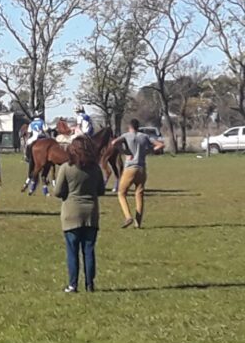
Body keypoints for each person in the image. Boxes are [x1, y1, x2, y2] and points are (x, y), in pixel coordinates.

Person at [54, 136, 106, 293]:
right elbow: (101, 190)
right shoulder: (95, 169)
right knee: (89, 250)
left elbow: (57, 192)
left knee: (72, 251)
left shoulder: (66, 168)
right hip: (91, 214)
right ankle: (90, 285)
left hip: (71, 214)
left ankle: (73, 284)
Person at [116, 118, 165, 229]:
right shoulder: (144, 136)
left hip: (130, 168)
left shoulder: (126, 136)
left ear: (129, 127)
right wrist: (148, 151)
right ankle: (138, 223)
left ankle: (128, 216)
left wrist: (124, 152)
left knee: (121, 193)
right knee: (139, 194)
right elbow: (160, 145)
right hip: (142, 168)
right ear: (138, 127)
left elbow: (114, 143)